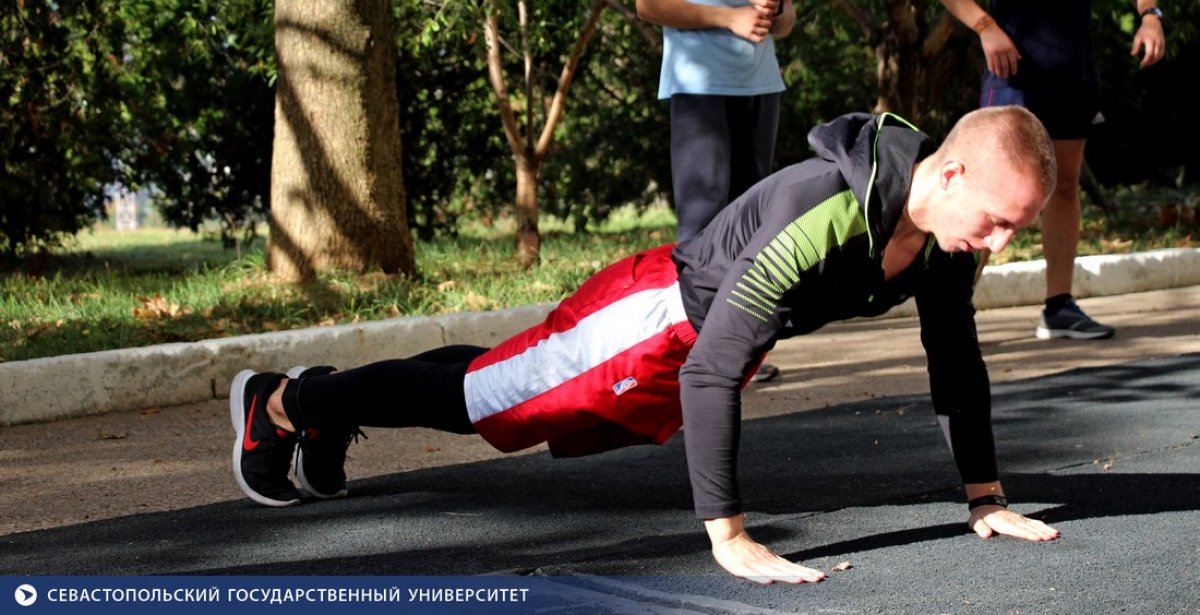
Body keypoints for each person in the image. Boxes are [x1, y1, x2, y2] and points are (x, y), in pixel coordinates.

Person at [232, 106, 1061, 584]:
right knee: (482, 403)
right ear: (949, 175)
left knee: (498, 380)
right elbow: (712, 372)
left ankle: (319, 392)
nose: (997, 243)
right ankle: (285, 402)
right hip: (654, 318)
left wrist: (984, 495)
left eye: (1013, 231)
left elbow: (955, 358)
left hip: (696, 335)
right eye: (996, 220)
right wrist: (729, 537)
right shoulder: (825, 212)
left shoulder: (948, 240)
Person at [926, 0, 1166, 341]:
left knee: (1065, 185)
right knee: (983, 190)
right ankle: (951, 312)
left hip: (1073, 72)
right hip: (1012, 74)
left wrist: (1149, 15)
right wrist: (986, 26)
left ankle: (1058, 306)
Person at [636, 0, 795, 382]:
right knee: (703, 224)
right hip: (701, 89)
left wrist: (769, 10)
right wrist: (728, 17)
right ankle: (695, 352)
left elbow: (785, 20)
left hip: (761, 86)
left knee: (757, 221)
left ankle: (748, 351)